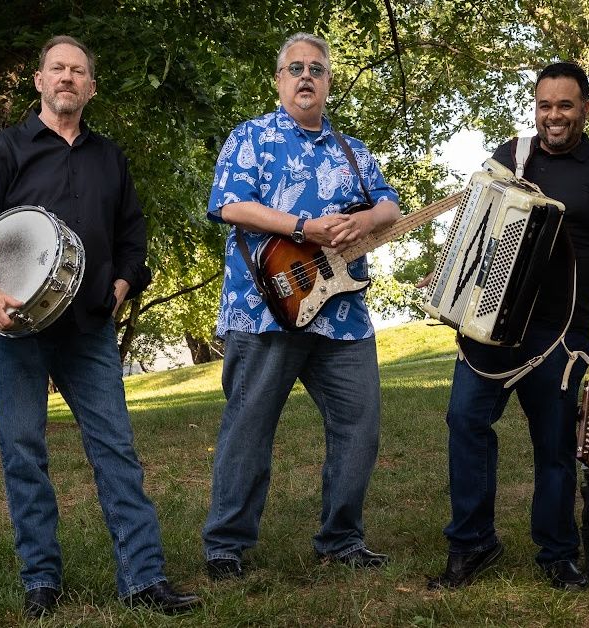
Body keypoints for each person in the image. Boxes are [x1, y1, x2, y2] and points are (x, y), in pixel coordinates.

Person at [0, 35, 198, 617]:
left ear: (90, 86)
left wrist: (120, 285)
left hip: (88, 327)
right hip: (14, 328)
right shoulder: (4, 150)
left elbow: (132, 236)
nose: (67, 77)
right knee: (23, 451)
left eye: (78, 71)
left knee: (115, 447)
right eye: (57, 69)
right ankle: (41, 581)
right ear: (39, 81)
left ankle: (143, 577)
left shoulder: (109, 157)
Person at [428, 62, 589, 591]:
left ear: (586, 109)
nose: (554, 116)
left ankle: (557, 552)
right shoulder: (513, 156)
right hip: (491, 328)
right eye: (545, 106)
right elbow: (478, 222)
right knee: (465, 421)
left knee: (553, 445)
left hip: (562, 334)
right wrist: (455, 286)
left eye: (565, 105)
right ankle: (473, 541)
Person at [201, 32, 401, 580]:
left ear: (329, 81)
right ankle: (225, 547)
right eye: (295, 68)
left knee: (360, 427)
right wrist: (302, 227)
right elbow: (229, 204)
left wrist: (365, 220)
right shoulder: (252, 136)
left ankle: (341, 539)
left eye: (316, 68)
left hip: (343, 316)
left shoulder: (351, 150)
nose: (306, 76)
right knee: (249, 427)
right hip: (266, 308)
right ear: (279, 80)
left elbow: (390, 203)